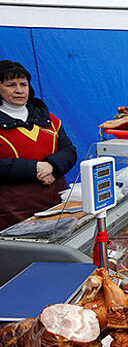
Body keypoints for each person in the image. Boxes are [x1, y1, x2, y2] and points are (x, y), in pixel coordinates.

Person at [0, 60, 77, 230]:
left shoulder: (49, 119)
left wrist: (51, 166)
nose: (19, 90)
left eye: (23, 84)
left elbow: (69, 151)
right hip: (11, 215)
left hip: (55, 205)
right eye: (11, 85)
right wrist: (34, 169)